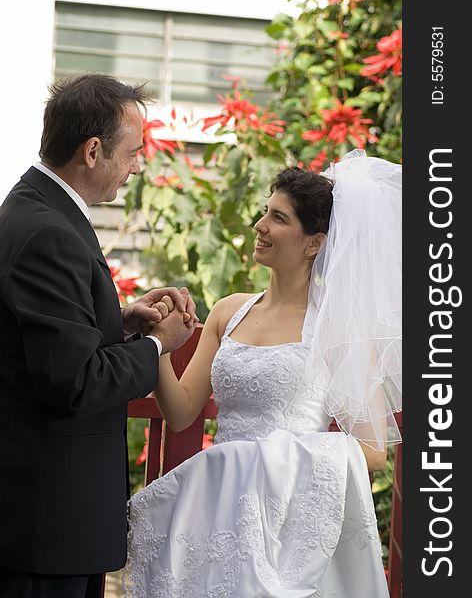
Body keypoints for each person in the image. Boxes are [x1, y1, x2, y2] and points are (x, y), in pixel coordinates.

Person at [124, 149, 402, 597]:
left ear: (314, 242)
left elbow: (372, 452)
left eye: (279, 218)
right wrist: (160, 344)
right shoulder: (227, 311)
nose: (261, 225)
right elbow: (180, 413)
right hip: (219, 512)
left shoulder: (336, 329)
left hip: (288, 525)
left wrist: (266, 458)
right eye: (264, 211)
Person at [0, 73, 198, 598]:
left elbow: (44, 342)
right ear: (92, 150)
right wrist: (159, 346)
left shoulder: (37, 210)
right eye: (133, 152)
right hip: (46, 526)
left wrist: (120, 320)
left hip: (47, 524)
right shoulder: (49, 232)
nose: (139, 165)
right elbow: (74, 382)